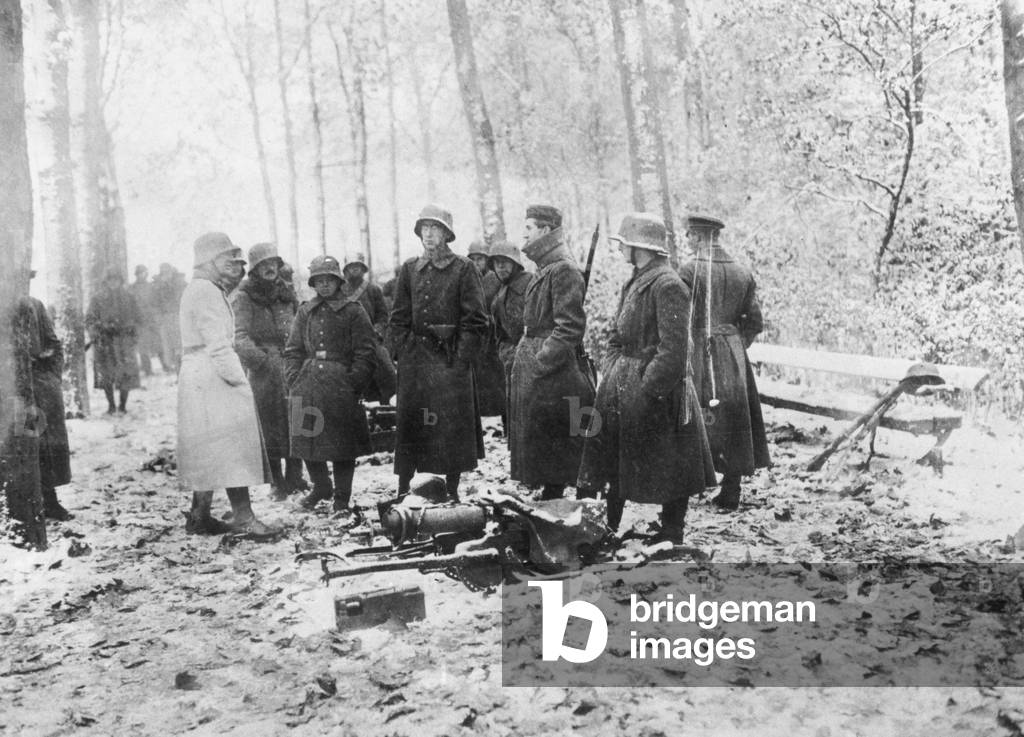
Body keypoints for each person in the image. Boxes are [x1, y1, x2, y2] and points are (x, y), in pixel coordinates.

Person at [577, 214, 717, 543]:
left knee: (671, 462)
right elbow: (616, 334)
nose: (621, 248)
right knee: (612, 457)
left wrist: (647, 386)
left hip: (658, 392)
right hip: (622, 382)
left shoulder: (668, 285)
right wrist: (614, 368)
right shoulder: (638, 279)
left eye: (625, 243)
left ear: (642, 247)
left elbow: (674, 350)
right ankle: (607, 526)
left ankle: (672, 530)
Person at [177, 232, 277, 537]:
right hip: (212, 371)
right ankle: (244, 516)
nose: (231, 263)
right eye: (224, 258)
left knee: (207, 445)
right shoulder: (206, 291)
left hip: (198, 371)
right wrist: (238, 381)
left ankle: (199, 514)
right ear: (207, 261)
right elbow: (218, 345)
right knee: (233, 442)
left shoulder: (201, 288)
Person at [387, 204, 488, 500]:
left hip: (449, 361)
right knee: (412, 427)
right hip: (415, 364)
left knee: (450, 429)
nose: (429, 235)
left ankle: (451, 490)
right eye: (425, 229)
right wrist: (404, 352)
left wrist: (459, 361)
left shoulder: (463, 268)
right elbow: (399, 318)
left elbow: (476, 320)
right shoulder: (409, 270)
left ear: (446, 234)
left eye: (436, 229)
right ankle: (404, 489)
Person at [678, 214, 771, 511]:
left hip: (699, 349)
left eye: (690, 235)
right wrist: (735, 343)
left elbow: (680, 317)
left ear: (700, 237)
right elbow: (755, 321)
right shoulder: (742, 272)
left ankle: (690, 485)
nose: (687, 241)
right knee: (734, 418)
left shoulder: (689, 270)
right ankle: (732, 489)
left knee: (697, 412)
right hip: (733, 353)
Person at [509, 204, 595, 499]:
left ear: (546, 231)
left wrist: (540, 360)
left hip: (552, 373)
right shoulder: (546, 267)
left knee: (555, 439)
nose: (525, 233)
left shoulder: (563, 269)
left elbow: (569, 327)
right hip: (541, 369)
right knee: (544, 441)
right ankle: (550, 492)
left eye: (530, 227)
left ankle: (558, 498)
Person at [284, 255, 377, 511]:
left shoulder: (353, 310)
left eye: (330, 280)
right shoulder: (305, 311)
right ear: (313, 283)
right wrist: (294, 378)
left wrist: (354, 381)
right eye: (319, 280)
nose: (325, 285)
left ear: (339, 281)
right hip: (308, 381)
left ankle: (341, 497)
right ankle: (321, 486)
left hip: (341, 385)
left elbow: (366, 351)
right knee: (307, 437)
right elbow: (292, 349)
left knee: (342, 443)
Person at [231, 243, 305, 501]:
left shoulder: (286, 292)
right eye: (263, 265)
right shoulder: (244, 297)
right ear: (254, 270)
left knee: (297, 419)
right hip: (265, 370)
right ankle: (277, 481)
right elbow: (238, 336)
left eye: (273, 263)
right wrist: (262, 361)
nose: (269, 268)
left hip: (292, 364)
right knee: (270, 424)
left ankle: (296, 475)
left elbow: (301, 323)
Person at [19, 272, 73, 520]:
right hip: (12, 390)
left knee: (45, 444)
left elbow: (54, 343)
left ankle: (50, 501)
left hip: (40, 386)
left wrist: (51, 376)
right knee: (20, 444)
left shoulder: (35, 305)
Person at [340, 254, 396, 403]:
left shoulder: (373, 290)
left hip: (370, 338)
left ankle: (388, 403)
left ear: (363, 269)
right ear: (346, 270)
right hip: (344, 340)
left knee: (387, 370)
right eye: (351, 267)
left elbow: (383, 316)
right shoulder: (339, 291)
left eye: (358, 267)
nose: (354, 270)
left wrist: (377, 332)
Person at [86, 268, 141, 414]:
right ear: (106, 281)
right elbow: (90, 319)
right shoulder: (97, 298)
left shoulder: (129, 297)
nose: (113, 283)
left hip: (124, 341)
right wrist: (98, 329)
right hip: (105, 341)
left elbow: (138, 317)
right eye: (110, 280)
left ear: (120, 280)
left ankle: (123, 405)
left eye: (116, 279)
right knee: (106, 375)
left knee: (126, 374)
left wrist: (131, 330)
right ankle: (111, 405)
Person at [490, 240, 531, 428]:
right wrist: (506, 353)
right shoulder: (499, 297)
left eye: (505, 261)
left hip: (534, 362)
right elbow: (499, 335)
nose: (500, 267)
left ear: (516, 264)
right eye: (496, 262)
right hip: (511, 363)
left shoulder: (531, 283)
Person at [468, 239, 505, 419]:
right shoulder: (468, 279)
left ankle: (499, 412)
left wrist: (492, 318)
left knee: (495, 374)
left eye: (480, 259)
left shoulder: (495, 279)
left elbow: (501, 304)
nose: (476, 264)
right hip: (476, 334)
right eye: (473, 259)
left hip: (493, 334)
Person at [153, 263, 186, 373]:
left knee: (181, 347)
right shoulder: (158, 287)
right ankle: (177, 371)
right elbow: (155, 304)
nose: (166, 274)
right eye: (164, 272)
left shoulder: (180, 283)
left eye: (168, 272)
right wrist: (158, 317)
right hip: (166, 319)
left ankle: (182, 371)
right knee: (169, 348)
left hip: (180, 317)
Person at [128, 265, 160, 376]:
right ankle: (147, 369)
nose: (142, 275)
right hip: (139, 320)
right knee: (142, 346)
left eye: (144, 272)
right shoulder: (132, 288)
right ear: (137, 274)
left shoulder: (151, 286)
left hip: (151, 319)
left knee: (157, 342)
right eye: (140, 273)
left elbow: (156, 301)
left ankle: (165, 364)